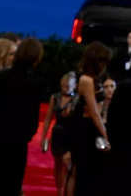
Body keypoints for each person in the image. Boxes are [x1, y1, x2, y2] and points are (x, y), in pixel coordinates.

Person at [0, 37, 46, 196]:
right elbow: (33, 114)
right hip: (18, 142)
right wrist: (28, 134)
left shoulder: (0, 77)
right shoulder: (35, 82)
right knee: (13, 184)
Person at [71, 41, 112, 196]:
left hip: (95, 126)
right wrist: (106, 134)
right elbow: (94, 112)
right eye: (102, 61)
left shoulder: (96, 80)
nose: (104, 65)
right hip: (86, 129)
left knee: (95, 173)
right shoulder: (86, 80)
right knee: (84, 172)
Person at [40, 72, 78, 196]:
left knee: (66, 166)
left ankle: (63, 191)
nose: (65, 88)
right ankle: (59, 189)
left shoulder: (76, 99)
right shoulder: (55, 97)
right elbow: (47, 119)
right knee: (57, 165)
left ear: (75, 86)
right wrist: (43, 137)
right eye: (63, 86)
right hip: (57, 134)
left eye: (68, 86)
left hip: (70, 134)